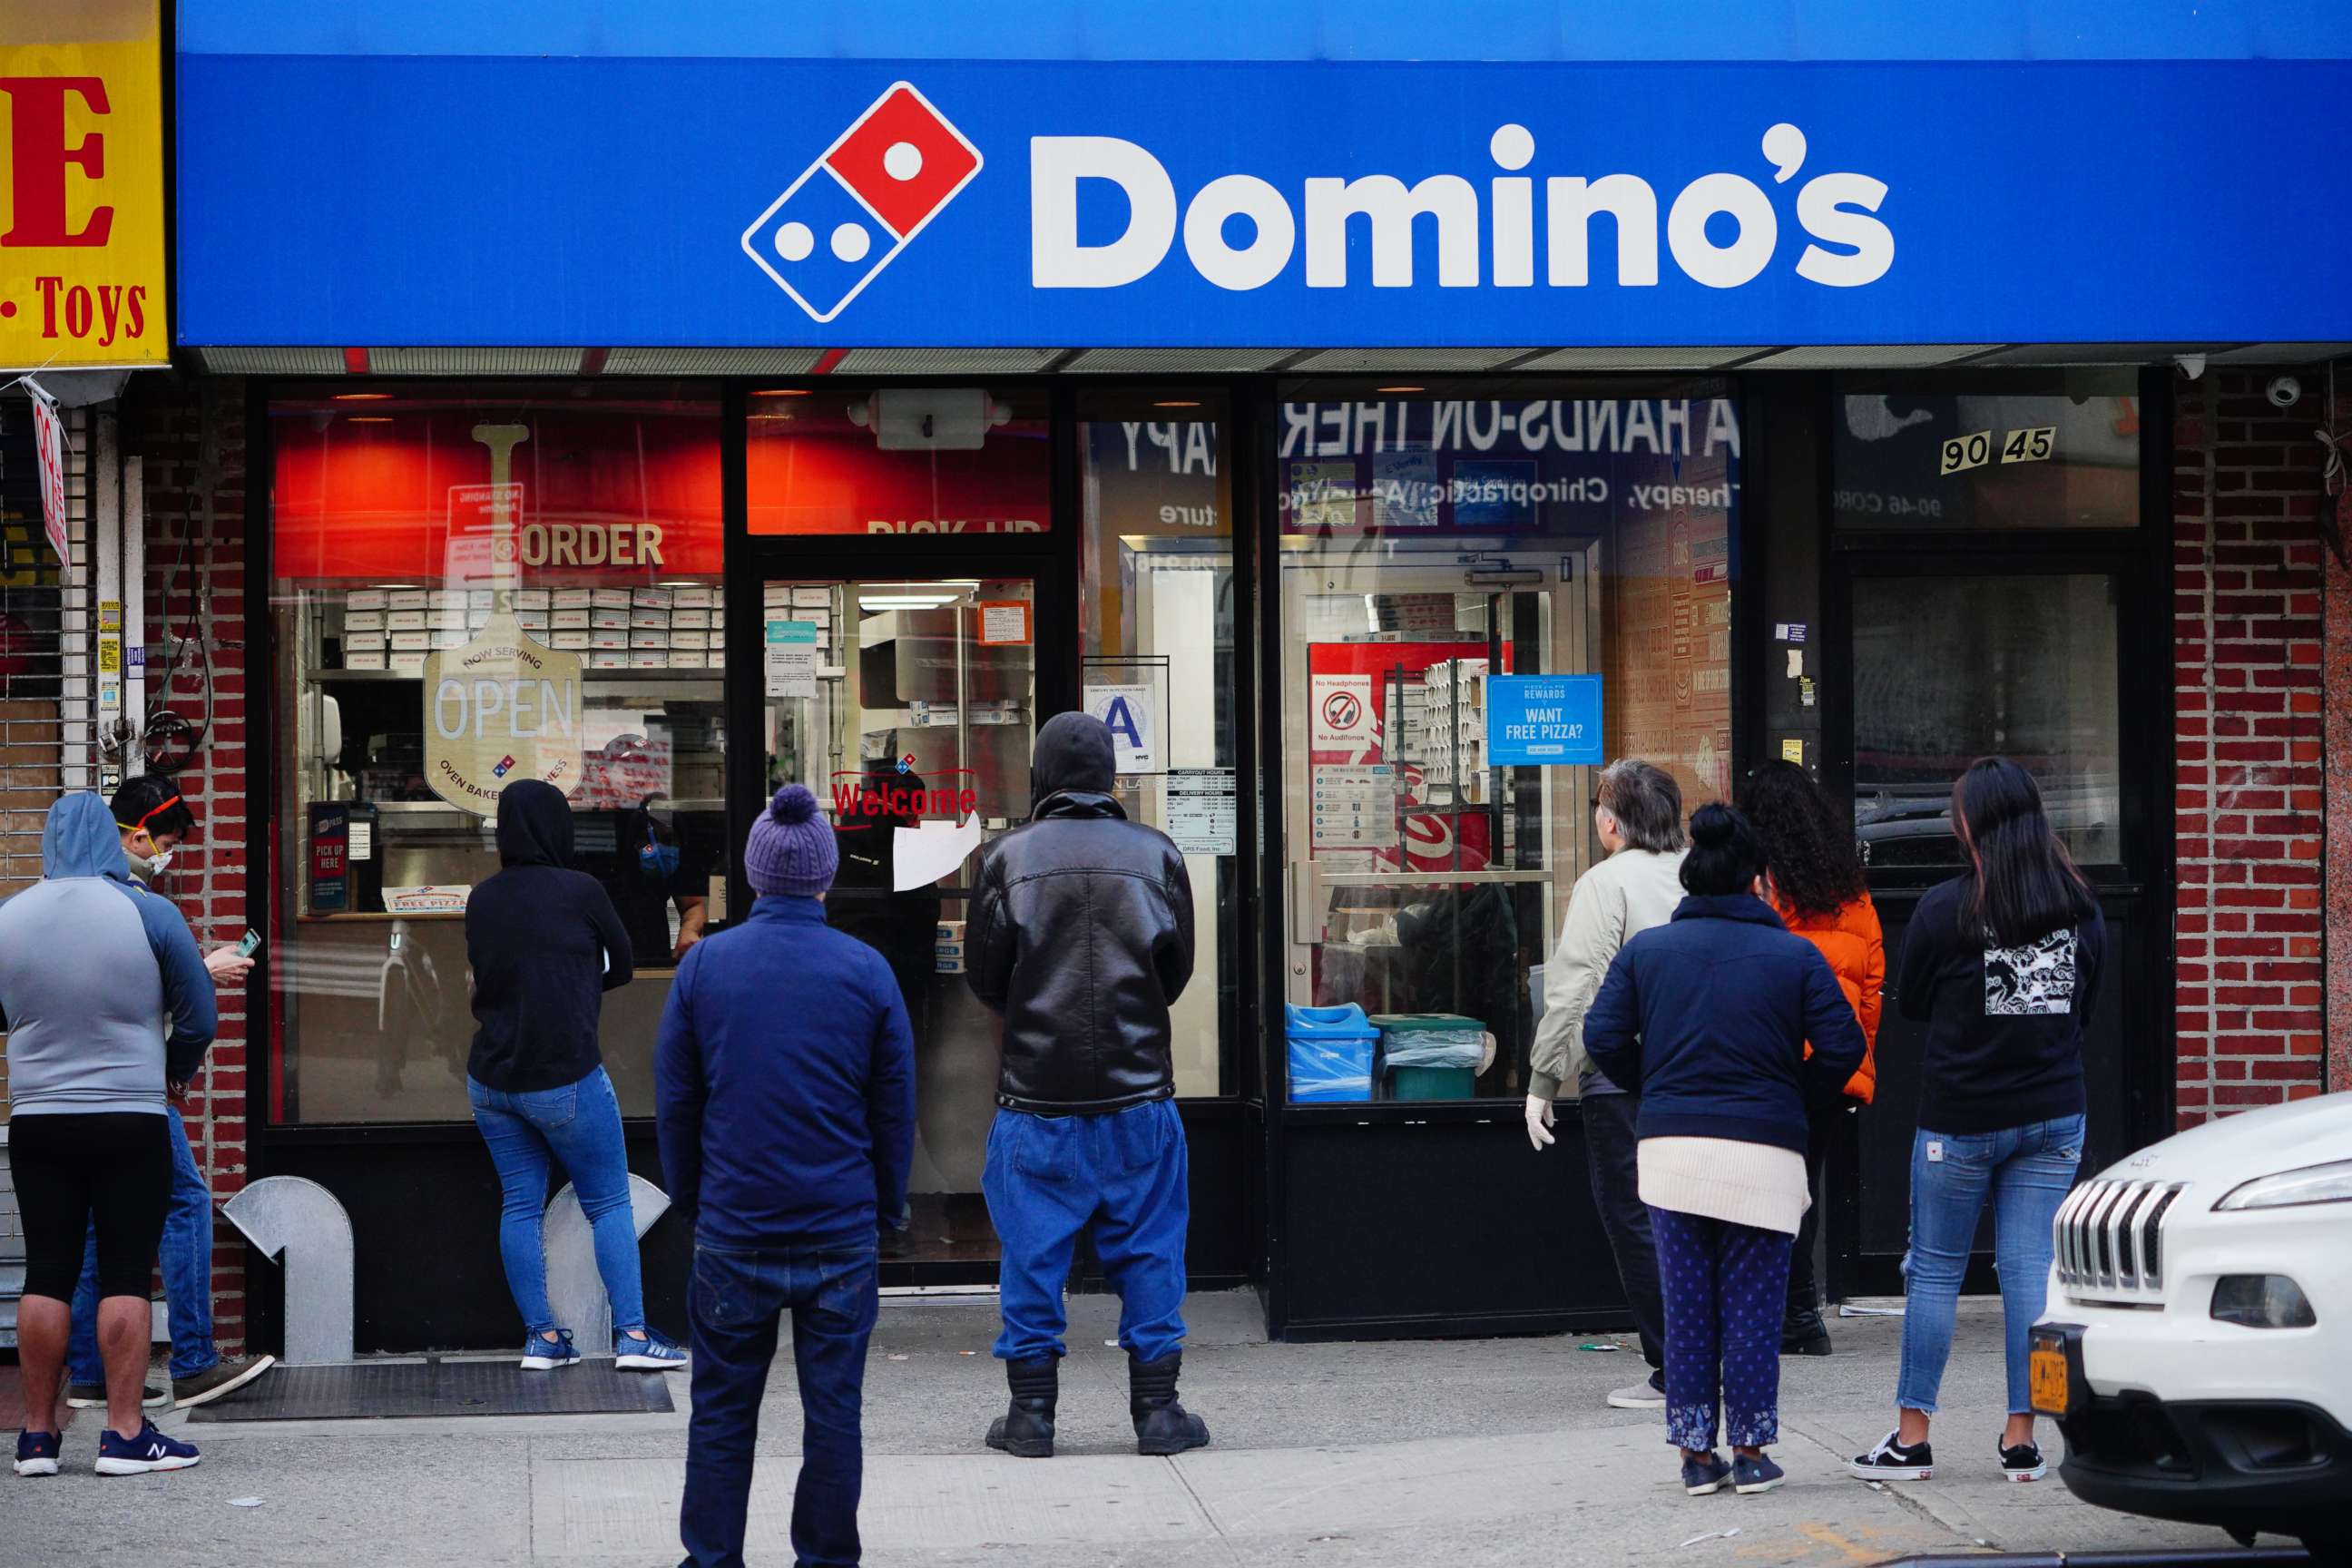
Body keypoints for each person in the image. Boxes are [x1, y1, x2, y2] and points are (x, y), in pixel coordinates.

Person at [656, 783, 916, 1568]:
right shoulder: (866, 971)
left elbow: (676, 1098)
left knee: (722, 1414)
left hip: (736, 1228)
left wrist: (694, 1197)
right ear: (826, 877)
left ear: (756, 876)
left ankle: (711, 1560)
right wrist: (888, 1205)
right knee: (834, 1412)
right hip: (839, 1229)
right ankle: (827, 1558)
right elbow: (893, 1106)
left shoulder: (706, 969)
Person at [1585, 804, 1867, 1499]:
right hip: (1765, 1155)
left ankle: (1694, 1455)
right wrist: (1794, 1099)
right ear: (1757, 882)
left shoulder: (1647, 953)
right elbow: (1844, 1046)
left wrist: (1654, 1087)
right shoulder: (1795, 956)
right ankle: (1749, 1451)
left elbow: (1600, 1037)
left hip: (1672, 1153)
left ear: (1690, 877)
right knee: (1752, 1307)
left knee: (1686, 1308)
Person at [1849, 758, 2104, 1486]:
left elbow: (1914, 1003)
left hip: (1961, 1120)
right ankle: (2022, 1440)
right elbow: (2086, 1006)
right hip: (2055, 1116)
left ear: (1971, 824)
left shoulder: (1945, 908)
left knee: (1934, 1273)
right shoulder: (2080, 907)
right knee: (2031, 1275)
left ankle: (1912, 1438)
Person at [967, 712, 1204, 1459]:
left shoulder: (1008, 858)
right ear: (1110, 776)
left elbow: (985, 977)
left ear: (1040, 776)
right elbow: (1175, 973)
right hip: (1138, 1095)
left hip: (1037, 1098)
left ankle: (1032, 1418)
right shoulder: (1157, 854)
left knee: (1031, 1257)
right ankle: (1158, 1413)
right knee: (1153, 1251)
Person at [4, 793, 216, 1477]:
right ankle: (125, 1435)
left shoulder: (9, 917)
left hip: (38, 1119)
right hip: (130, 1115)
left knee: (47, 1270)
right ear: (109, 839)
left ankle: (37, 1437)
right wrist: (173, 1071)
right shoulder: (149, 912)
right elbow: (200, 1016)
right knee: (126, 1268)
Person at [58, 777, 276, 1413]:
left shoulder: (47, 904)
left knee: (93, 1223)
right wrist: (196, 993)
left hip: (63, 1093)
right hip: (132, 1083)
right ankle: (194, 1361)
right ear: (132, 832)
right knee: (185, 1201)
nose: (166, 854)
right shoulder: (137, 906)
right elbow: (157, 1003)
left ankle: (90, 1370)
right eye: (166, 841)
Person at [464, 779, 685, 1374]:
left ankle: (542, 1338)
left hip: (491, 1081)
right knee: (609, 1201)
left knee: (519, 1204)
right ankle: (634, 1336)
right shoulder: (581, 891)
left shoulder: (481, 899)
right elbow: (625, 964)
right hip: (564, 1077)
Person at [1524, 758, 1688, 1411]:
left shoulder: (1605, 882)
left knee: (1637, 1218)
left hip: (1624, 1077)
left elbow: (1574, 987)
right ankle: (1706, 1355)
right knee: (1693, 1219)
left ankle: (1676, 1367)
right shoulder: (1702, 875)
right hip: (1701, 1073)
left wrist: (1543, 1076)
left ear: (1611, 820)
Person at [1737, 760, 1884, 1357]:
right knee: (1803, 1189)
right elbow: (1871, 987)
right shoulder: (1851, 891)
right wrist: (1856, 1056)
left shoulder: (1760, 889)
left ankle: (1779, 1313)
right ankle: (1802, 1314)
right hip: (1831, 1067)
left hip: (1767, 1063)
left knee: (1759, 1193)